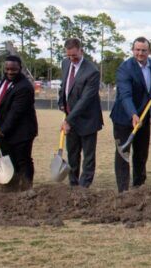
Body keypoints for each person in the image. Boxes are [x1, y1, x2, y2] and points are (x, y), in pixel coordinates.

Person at [110, 37, 151, 192]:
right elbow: (125, 95)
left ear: (149, 51)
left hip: (144, 117)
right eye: (137, 50)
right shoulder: (125, 69)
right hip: (124, 118)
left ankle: (139, 186)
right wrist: (133, 114)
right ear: (132, 50)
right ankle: (123, 190)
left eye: (144, 50)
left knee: (141, 153)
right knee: (123, 153)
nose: (140, 53)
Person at [0, 55, 38, 190]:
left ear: (20, 68)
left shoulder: (24, 87)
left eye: (14, 69)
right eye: (7, 69)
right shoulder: (5, 80)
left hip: (22, 131)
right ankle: (12, 187)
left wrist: (2, 130)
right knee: (9, 160)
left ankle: (27, 188)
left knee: (23, 160)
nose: (10, 72)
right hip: (6, 131)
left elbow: (16, 112)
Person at [59, 37, 103, 188]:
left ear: (81, 51)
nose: (72, 59)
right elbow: (64, 87)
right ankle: (73, 184)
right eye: (69, 56)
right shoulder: (65, 64)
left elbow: (85, 100)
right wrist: (62, 104)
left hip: (88, 120)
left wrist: (68, 120)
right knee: (72, 154)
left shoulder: (92, 71)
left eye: (75, 56)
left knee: (88, 157)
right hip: (71, 119)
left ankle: (84, 188)